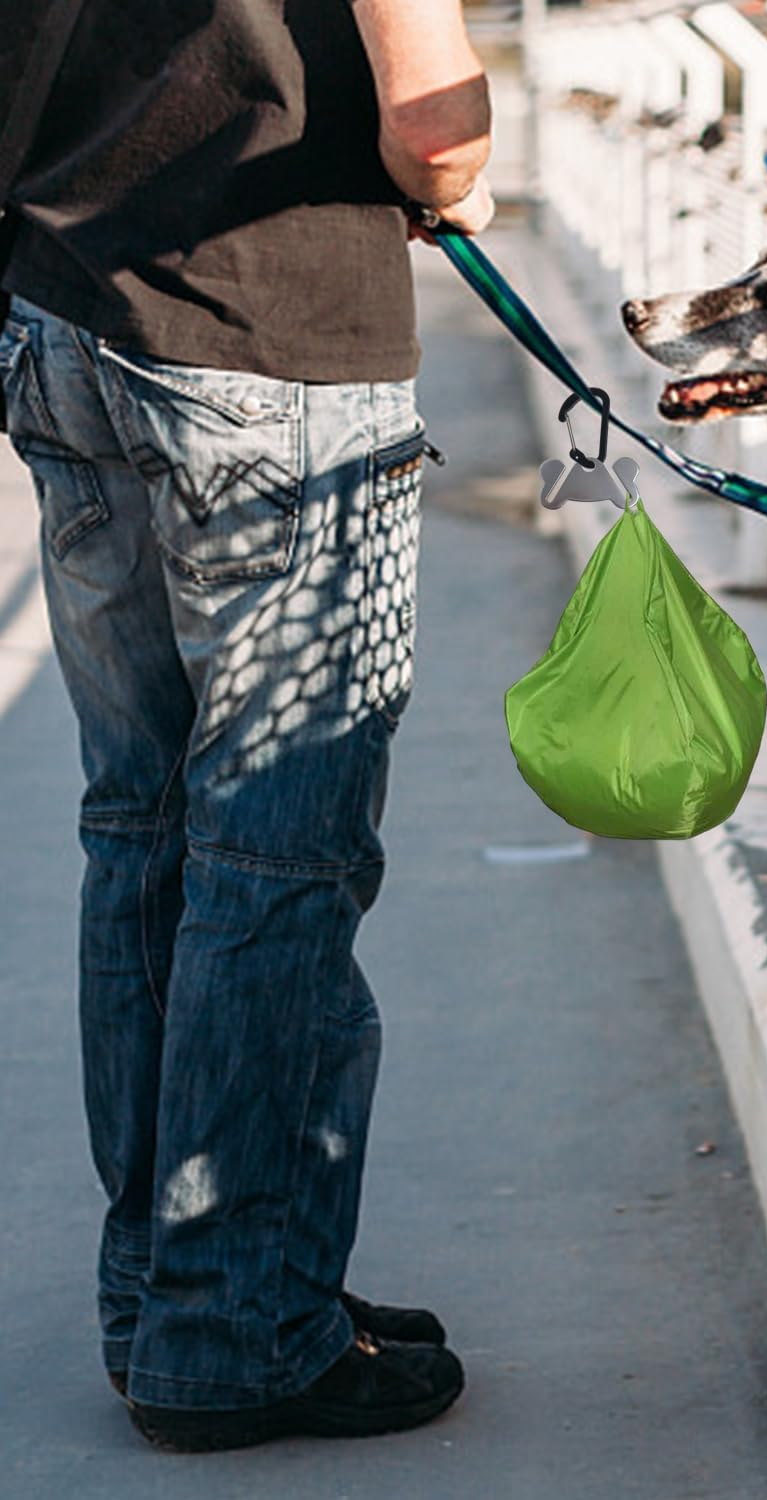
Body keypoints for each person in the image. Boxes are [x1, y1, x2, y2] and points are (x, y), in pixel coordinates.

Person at [0, 0, 493, 1453]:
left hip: (64, 317)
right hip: (272, 344)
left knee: (140, 832)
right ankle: (237, 1330)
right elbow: (436, 130)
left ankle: (175, 1298)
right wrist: (451, 188)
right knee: (274, 859)